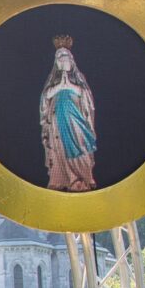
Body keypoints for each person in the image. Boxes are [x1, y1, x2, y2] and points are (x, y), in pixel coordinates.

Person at [38, 34, 97, 193]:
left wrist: (70, 86)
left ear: (71, 60)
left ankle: (82, 178)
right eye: (60, 58)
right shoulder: (53, 80)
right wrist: (59, 87)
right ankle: (65, 179)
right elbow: (45, 97)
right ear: (56, 62)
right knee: (60, 149)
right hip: (58, 122)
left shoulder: (78, 79)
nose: (63, 60)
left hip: (76, 119)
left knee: (80, 147)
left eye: (65, 57)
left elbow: (87, 98)